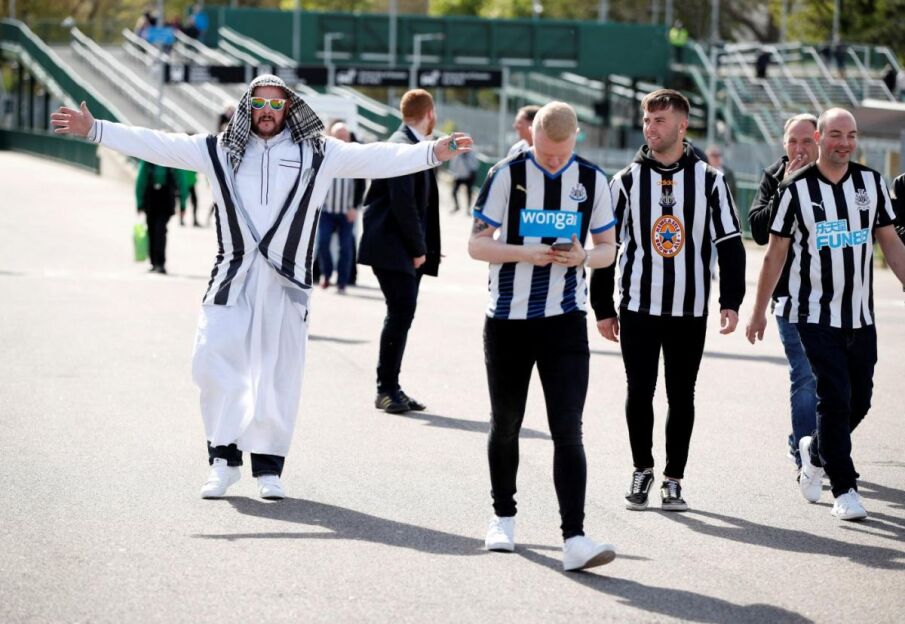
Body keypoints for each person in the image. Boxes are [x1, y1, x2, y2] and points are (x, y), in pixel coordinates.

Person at [51, 75, 472, 500]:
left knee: (276, 376)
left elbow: (377, 157)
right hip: (231, 279)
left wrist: (432, 152)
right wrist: (96, 129)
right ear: (247, 107)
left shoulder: (318, 152)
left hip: (286, 283)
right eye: (259, 104)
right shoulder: (218, 150)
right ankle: (223, 460)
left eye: (275, 104)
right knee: (212, 362)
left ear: (288, 108)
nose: (267, 112)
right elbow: (158, 144)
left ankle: (269, 468)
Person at [469, 101, 618, 571]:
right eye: (545, 152)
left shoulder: (592, 179)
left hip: (564, 321)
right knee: (506, 423)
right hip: (507, 320)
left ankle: (575, 537)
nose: (552, 161)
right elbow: (476, 244)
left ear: (576, 139)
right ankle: (502, 518)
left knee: (568, 429)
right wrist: (522, 253)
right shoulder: (505, 174)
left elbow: (609, 249)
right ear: (531, 136)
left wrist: (583, 258)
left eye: (561, 154)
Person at [590, 89, 746, 513]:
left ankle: (674, 478)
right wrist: (602, 306)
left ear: (682, 125)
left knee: (682, 395)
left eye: (659, 121)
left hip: (688, 310)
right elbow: (607, 247)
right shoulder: (625, 181)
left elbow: (730, 243)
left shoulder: (711, 181)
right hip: (638, 307)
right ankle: (642, 469)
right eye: (646, 120)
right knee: (639, 391)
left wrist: (731, 300)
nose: (650, 128)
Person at [746, 108, 905, 521]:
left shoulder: (871, 183)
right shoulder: (794, 189)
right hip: (813, 315)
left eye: (851, 135)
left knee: (860, 399)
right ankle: (845, 488)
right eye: (836, 134)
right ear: (820, 137)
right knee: (833, 396)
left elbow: (890, 241)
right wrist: (758, 311)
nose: (844, 143)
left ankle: (815, 450)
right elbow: (774, 254)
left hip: (860, 315)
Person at [358, 89, 442, 414]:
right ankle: (386, 389)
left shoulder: (412, 145)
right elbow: (403, 203)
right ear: (429, 114)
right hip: (393, 247)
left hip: (400, 247)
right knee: (400, 313)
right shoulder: (402, 147)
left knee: (401, 314)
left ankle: (392, 386)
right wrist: (419, 249)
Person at [747, 114, 819, 469]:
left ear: (819, 140)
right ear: (784, 143)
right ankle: (807, 453)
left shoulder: (837, 176)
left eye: (806, 141)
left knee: (838, 380)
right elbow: (759, 232)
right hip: (791, 298)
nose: (799, 148)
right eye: (793, 141)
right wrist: (784, 187)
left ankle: (815, 442)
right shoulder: (775, 175)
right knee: (805, 375)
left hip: (839, 300)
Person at [317, 122, 365, 293]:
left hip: (347, 212)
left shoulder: (354, 157)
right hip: (327, 210)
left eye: (345, 135)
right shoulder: (324, 155)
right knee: (323, 243)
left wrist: (355, 207)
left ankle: (342, 281)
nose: (342, 139)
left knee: (346, 247)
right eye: (339, 135)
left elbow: (361, 184)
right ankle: (326, 273)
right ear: (332, 137)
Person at [135, 160, 186, 274]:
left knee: (159, 230)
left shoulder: (165, 159)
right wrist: (139, 202)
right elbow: (140, 180)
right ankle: (155, 263)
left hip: (161, 199)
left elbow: (140, 180)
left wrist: (183, 205)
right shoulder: (150, 160)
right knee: (153, 231)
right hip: (155, 199)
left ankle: (159, 263)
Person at [449, 147, 478, 214]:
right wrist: (454, 174)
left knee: (469, 193)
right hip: (459, 176)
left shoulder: (472, 153)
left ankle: (468, 209)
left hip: (469, 177)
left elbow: (475, 165)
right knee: (454, 192)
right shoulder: (457, 153)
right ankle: (457, 206)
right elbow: (453, 165)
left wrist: (467, 160)